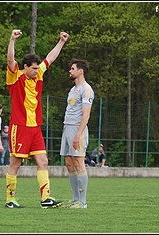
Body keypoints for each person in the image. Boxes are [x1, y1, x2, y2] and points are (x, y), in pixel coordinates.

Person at [4, 29, 68, 209]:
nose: (36, 71)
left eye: (36, 68)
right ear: (25, 67)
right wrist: (12, 40)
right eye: (33, 68)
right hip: (20, 126)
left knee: (43, 161)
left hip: (35, 128)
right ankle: (10, 200)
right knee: (15, 163)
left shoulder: (38, 74)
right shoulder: (15, 76)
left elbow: (51, 58)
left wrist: (61, 41)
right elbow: (10, 59)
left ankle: (45, 198)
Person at [60, 58, 94, 209]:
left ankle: (83, 202)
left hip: (76, 129)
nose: (70, 71)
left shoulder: (86, 89)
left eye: (73, 69)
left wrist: (78, 134)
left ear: (80, 71)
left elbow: (86, 115)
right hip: (67, 127)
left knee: (79, 162)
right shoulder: (73, 90)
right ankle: (75, 199)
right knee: (69, 163)